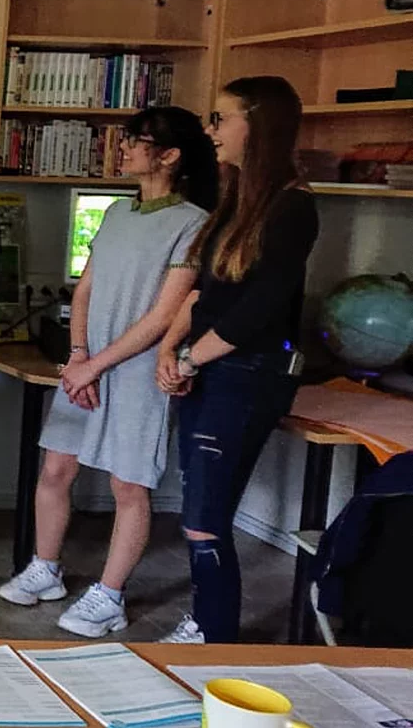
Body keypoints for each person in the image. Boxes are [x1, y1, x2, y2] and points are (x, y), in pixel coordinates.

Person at [0, 107, 219, 636]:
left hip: (140, 372)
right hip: (86, 367)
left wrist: (96, 365)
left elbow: (164, 316)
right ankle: (45, 568)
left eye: (135, 141)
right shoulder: (118, 213)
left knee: (128, 484)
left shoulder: (193, 223)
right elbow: (85, 290)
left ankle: (110, 595)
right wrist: (79, 357)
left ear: (169, 156)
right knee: (56, 469)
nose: (123, 149)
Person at [155, 76, 318, 644]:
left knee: (205, 519)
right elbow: (203, 293)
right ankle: (206, 623)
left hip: (246, 376)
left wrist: (190, 360)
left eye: (221, 119)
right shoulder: (234, 201)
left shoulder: (293, 208)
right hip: (207, 368)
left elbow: (256, 312)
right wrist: (171, 350)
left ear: (258, 124)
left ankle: (212, 634)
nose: (210, 130)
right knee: (198, 510)